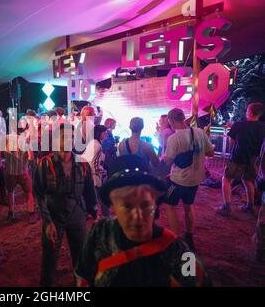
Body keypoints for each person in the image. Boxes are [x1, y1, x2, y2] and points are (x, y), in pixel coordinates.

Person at [75, 155, 210, 287]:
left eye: (145, 205)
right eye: (127, 206)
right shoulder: (99, 232)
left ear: (155, 204)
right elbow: (84, 274)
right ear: (113, 207)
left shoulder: (175, 249)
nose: (138, 215)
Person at [33, 124, 97, 286]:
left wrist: (93, 212)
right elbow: (39, 195)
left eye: (71, 137)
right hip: (54, 217)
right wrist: (47, 222)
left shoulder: (82, 164)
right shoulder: (45, 164)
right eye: (63, 136)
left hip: (77, 216)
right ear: (55, 140)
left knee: (81, 257)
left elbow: (90, 192)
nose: (68, 140)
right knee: (50, 259)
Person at [162, 108, 214, 250]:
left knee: (170, 205)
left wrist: (162, 158)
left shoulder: (174, 138)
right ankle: (189, 235)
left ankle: (175, 239)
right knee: (188, 205)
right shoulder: (199, 132)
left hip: (179, 179)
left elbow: (168, 161)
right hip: (196, 178)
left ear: (171, 120)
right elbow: (211, 152)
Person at [218, 102, 265, 215]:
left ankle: (227, 206)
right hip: (254, 159)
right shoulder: (263, 127)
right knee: (248, 180)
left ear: (249, 111)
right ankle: (250, 206)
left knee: (226, 178)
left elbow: (232, 141)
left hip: (238, 157)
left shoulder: (239, 125)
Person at [4, 130, 36, 222]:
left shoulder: (5, 139)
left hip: (10, 172)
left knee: (10, 192)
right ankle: (31, 214)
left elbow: (2, 154)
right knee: (29, 192)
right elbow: (31, 158)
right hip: (22, 171)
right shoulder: (23, 140)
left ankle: (11, 214)